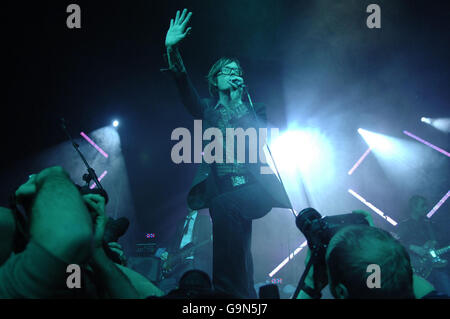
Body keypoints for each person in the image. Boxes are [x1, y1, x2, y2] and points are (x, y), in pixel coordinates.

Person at [162, 9, 291, 298]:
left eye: (238, 72)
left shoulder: (254, 109)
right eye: (228, 71)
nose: (234, 75)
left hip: (255, 188)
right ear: (214, 79)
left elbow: (256, 139)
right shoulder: (206, 109)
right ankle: (243, 295)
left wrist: (238, 102)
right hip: (222, 188)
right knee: (239, 244)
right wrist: (172, 48)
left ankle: (225, 292)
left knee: (224, 207)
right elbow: (182, 85)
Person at [0, 167, 140, 298]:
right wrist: (52, 177)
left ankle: (108, 237)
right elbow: (70, 236)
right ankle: (109, 236)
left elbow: (74, 284)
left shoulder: (25, 272)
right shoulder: (22, 278)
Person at [395, 195, 450, 295]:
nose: (426, 208)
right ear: (414, 207)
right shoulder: (404, 225)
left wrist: (435, 242)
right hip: (418, 269)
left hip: (436, 267)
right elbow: (396, 243)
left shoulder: (430, 224)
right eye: (423, 205)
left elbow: (442, 240)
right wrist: (413, 247)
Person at [159, 209, 212, 293]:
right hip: (177, 261)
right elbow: (174, 242)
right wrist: (167, 253)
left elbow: (207, 241)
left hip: (192, 260)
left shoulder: (204, 219)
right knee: (163, 285)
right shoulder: (181, 221)